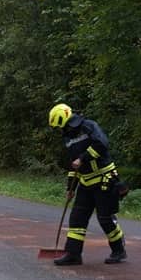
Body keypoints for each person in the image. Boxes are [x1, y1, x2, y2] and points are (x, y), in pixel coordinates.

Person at [48, 103, 127, 265]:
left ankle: (119, 250)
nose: (60, 130)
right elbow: (73, 165)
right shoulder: (68, 138)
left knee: (105, 218)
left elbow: (102, 144)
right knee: (77, 218)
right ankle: (73, 254)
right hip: (85, 182)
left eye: (60, 126)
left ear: (67, 121)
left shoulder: (89, 126)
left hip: (105, 179)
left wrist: (83, 158)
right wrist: (71, 188)